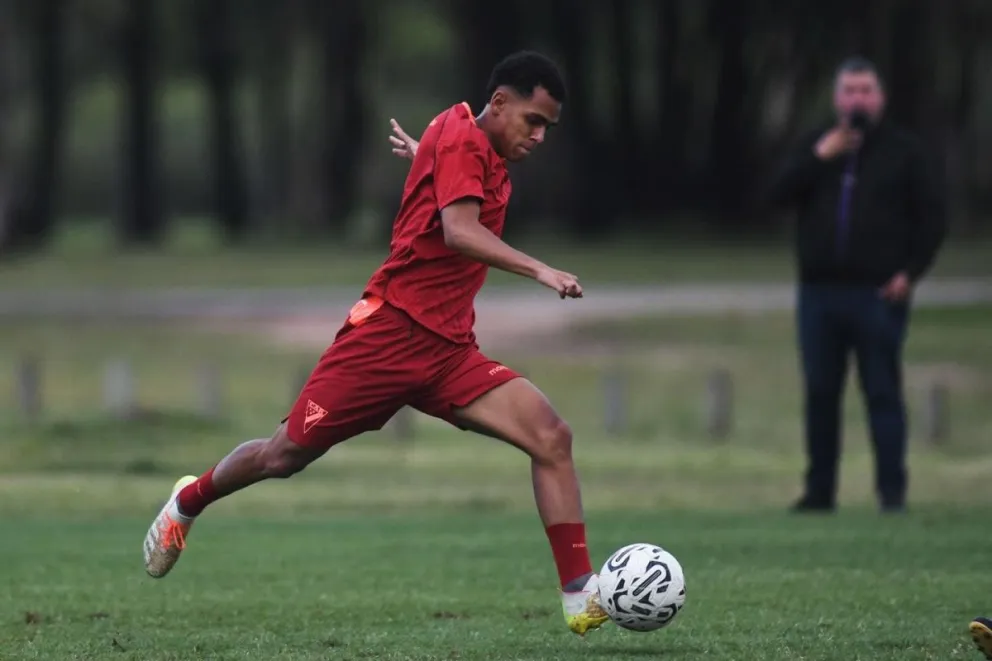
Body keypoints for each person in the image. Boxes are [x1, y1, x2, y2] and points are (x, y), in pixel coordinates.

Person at [142, 50, 610, 636]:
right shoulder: (460, 139)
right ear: (498, 103)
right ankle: (189, 500)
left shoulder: (463, 141)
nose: (539, 136)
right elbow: (459, 232)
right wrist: (541, 270)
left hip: (449, 353)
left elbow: (447, 180)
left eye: (548, 127)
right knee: (282, 456)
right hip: (385, 339)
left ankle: (579, 594)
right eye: (533, 120)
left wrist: (427, 160)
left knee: (551, 437)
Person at [767, 56, 946, 513]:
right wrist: (818, 158)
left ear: (880, 98)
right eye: (849, 90)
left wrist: (910, 272)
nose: (858, 99)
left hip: (878, 295)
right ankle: (819, 492)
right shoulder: (816, 146)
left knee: (882, 391)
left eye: (866, 90)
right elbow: (775, 195)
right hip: (819, 295)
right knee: (820, 394)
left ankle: (892, 492)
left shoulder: (904, 152)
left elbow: (932, 219)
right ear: (837, 98)